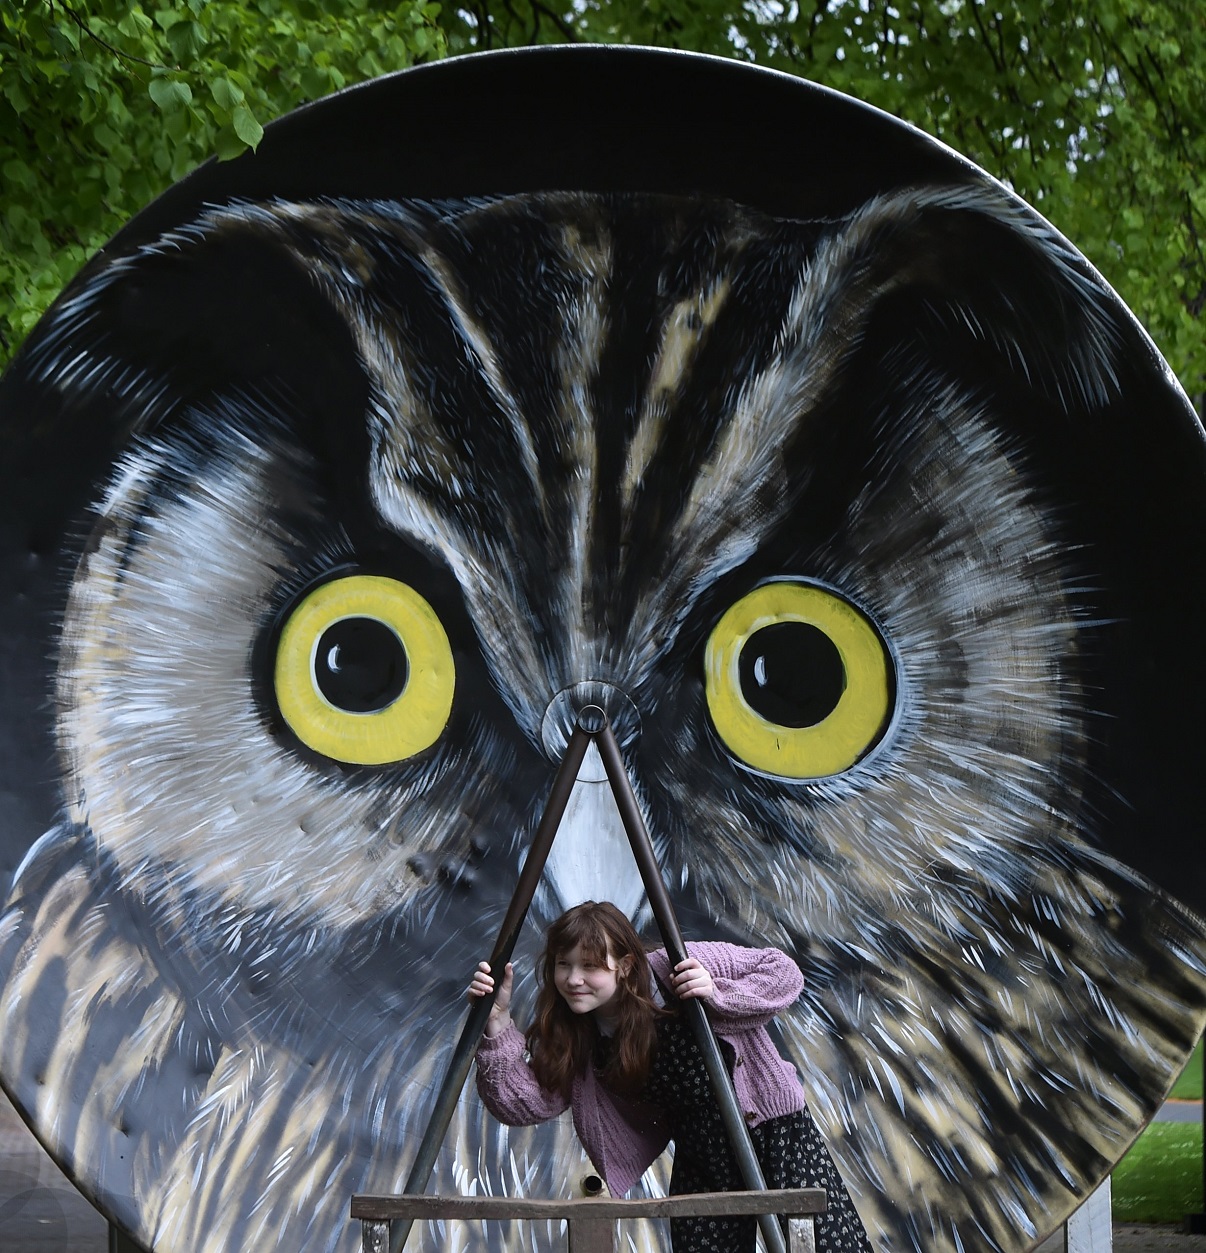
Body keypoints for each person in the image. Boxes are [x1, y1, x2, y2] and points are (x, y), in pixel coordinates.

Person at [468, 901, 871, 1253]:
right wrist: (498, 1023)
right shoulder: (581, 1035)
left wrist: (716, 993)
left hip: (774, 1131)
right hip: (702, 1153)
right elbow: (521, 1102)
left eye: (590, 966)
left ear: (624, 966)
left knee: (830, 1243)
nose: (573, 979)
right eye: (563, 964)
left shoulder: (675, 966)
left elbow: (783, 973)